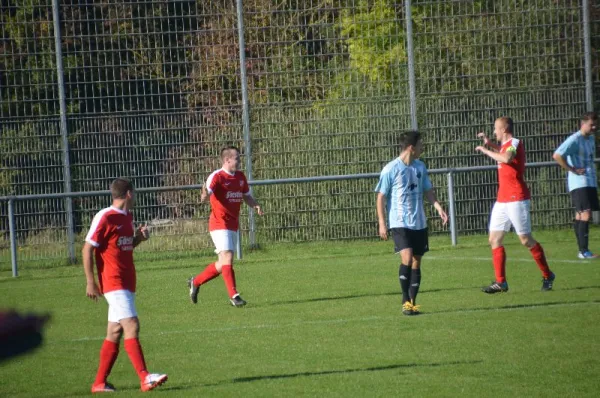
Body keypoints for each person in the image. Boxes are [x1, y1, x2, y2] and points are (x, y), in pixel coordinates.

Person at [83, 178, 167, 393]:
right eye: (135, 192)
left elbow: (125, 245)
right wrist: (91, 282)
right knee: (132, 325)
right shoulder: (105, 216)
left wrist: (138, 238)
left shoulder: (127, 216)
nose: (136, 196)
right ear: (129, 193)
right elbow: (87, 248)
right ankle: (145, 377)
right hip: (113, 281)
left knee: (115, 331)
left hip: (127, 281)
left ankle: (99, 383)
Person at [475, 117, 555, 293]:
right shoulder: (505, 145)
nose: (494, 132)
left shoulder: (515, 142)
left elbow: (507, 158)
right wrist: (489, 143)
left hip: (516, 198)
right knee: (494, 239)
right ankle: (501, 282)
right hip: (502, 199)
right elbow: (503, 151)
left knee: (525, 240)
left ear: (504, 129)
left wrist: (486, 151)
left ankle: (548, 275)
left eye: (496, 129)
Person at [375, 131, 448, 316]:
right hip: (399, 222)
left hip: (419, 222)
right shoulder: (391, 169)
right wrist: (382, 223)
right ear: (411, 147)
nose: (423, 148)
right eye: (420, 145)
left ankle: (413, 302)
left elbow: (428, 190)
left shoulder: (420, 167)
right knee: (406, 258)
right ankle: (405, 301)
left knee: (416, 261)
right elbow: (381, 197)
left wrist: (438, 208)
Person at [188, 146, 263, 307]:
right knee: (228, 256)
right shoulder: (217, 176)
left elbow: (247, 196)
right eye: (237, 158)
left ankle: (196, 281)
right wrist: (204, 196)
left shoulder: (240, 177)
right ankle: (234, 296)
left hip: (233, 223)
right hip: (218, 223)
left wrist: (255, 205)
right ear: (227, 160)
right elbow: (207, 192)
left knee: (223, 263)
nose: (239, 160)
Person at [552, 112, 599, 259]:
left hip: (590, 180)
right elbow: (557, 155)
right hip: (579, 182)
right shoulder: (575, 139)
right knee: (585, 213)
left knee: (580, 214)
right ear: (583, 124)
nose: (594, 127)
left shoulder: (590, 138)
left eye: (596, 124)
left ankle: (582, 250)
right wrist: (572, 169)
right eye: (591, 124)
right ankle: (584, 251)